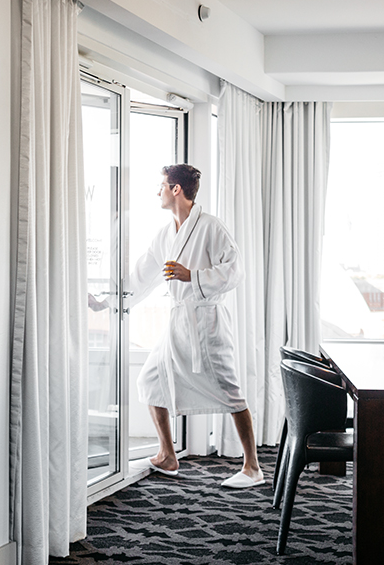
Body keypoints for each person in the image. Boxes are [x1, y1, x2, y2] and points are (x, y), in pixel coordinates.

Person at [93, 164, 263, 488]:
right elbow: (142, 276)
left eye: (161, 185)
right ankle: (167, 455)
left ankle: (252, 467)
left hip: (207, 323)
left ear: (176, 189)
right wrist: (107, 301)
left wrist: (193, 276)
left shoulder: (211, 227)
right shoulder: (165, 234)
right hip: (178, 323)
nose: (156, 191)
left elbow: (235, 271)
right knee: (150, 380)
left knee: (230, 391)